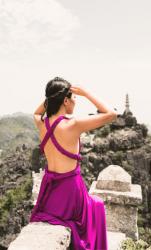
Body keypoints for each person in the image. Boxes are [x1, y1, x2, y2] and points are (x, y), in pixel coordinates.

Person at [29, 76, 118, 250]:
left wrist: (53, 94)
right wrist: (85, 92)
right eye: (74, 98)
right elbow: (111, 114)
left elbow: (37, 112)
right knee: (98, 205)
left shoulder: (42, 123)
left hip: (48, 193)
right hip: (71, 193)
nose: (76, 102)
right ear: (65, 100)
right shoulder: (73, 124)